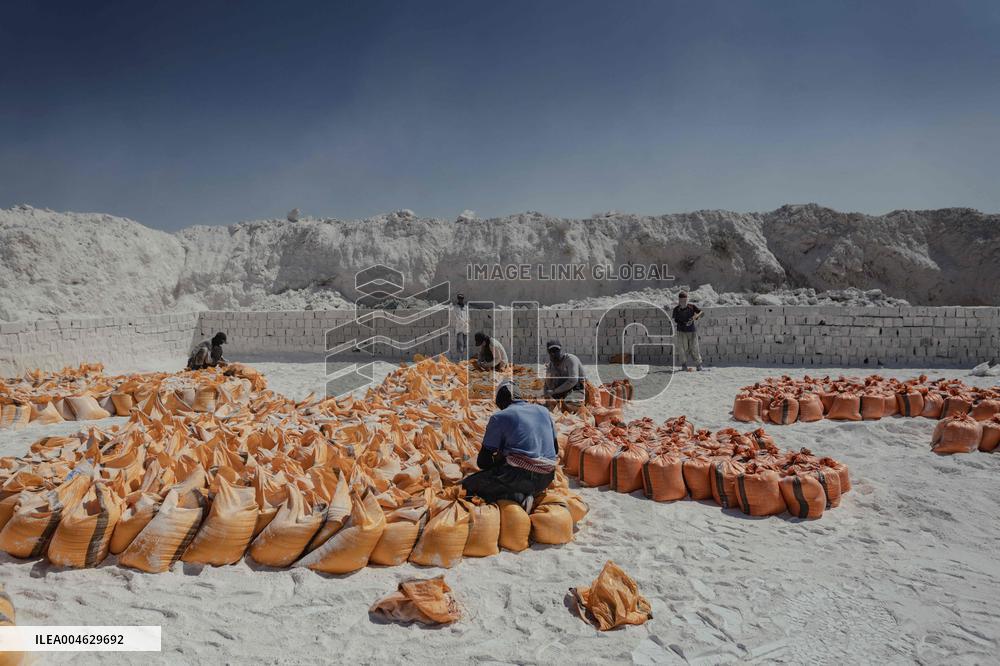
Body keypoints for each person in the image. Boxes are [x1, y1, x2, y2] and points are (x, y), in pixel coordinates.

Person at [460, 381, 558, 510]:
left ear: (499, 400)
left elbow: (483, 462)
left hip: (520, 477)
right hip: (547, 477)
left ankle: (516, 497)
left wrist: (498, 462)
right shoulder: (543, 411)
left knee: (468, 485)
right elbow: (555, 449)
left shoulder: (500, 417)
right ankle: (528, 492)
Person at [542, 340, 587, 412]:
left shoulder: (570, 359)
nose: (554, 353)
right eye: (552, 351)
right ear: (549, 353)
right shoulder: (551, 365)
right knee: (550, 405)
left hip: (578, 388)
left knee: (569, 403)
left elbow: (573, 380)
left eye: (557, 351)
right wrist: (547, 395)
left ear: (561, 350)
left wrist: (554, 391)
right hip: (563, 390)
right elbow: (547, 383)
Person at [672, 292, 703, 371]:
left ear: (687, 299)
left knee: (695, 348)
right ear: (679, 300)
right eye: (681, 300)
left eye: (685, 300)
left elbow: (701, 313)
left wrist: (696, 316)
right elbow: (675, 320)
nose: (683, 302)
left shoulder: (692, 307)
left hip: (692, 331)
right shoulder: (676, 309)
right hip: (681, 332)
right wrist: (684, 323)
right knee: (682, 349)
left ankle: (698, 365)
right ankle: (684, 365)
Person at [452, 293, 469, 359]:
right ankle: (459, 358)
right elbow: (457, 317)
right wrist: (463, 321)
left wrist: (467, 322)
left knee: (465, 343)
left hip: (465, 327)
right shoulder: (455, 307)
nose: (460, 300)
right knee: (460, 343)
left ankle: (464, 358)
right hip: (459, 327)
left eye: (462, 298)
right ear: (458, 299)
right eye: (459, 298)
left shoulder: (466, 307)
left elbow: (467, 316)